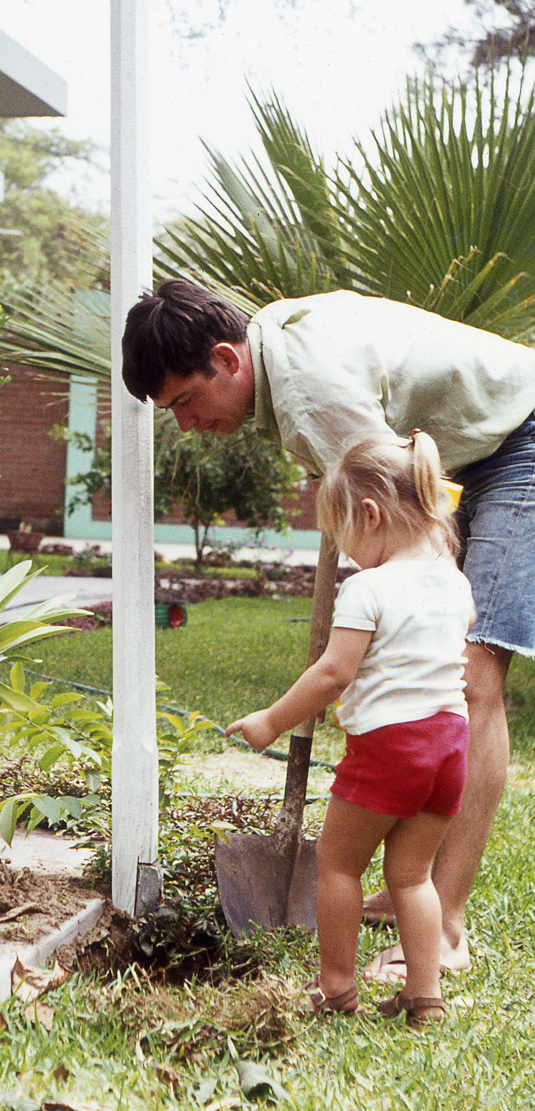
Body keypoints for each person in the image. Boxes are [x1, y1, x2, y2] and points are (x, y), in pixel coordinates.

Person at [122, 280, 535, 980]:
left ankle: (444, 922)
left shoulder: (310, 394)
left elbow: (404, 523)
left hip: (521, 438)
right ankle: (413, 887)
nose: (187, 425)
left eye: (185, 404)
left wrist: (373, 632)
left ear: (225, 359)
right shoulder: (279, 341)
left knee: (467, 677)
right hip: (483, 448)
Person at [225, 432, 476, 1021]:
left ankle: (336, 989)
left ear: (371, 514)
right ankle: (424, 998)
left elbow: (334, 672)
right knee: (413, 877)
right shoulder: (455, 582)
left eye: (346, 536)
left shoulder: (369, 587)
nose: (346, 553)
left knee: (338, 864)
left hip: (391, 746)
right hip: (449, 746)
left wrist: (271, 721)